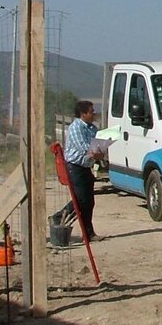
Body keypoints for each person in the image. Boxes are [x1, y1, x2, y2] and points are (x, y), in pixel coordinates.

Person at [64, 100, 105, 241]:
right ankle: (59, 217)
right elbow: (84, 147)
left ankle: (88, 233)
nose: (93, 114)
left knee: (89, 201)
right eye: (91, 111)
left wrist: (99, 153)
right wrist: (95, 152)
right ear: (83, 114)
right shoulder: (76, 128)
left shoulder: (92, 128)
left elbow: (98, 146)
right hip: (75, 167)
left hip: (86, 167)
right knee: (80, 199)